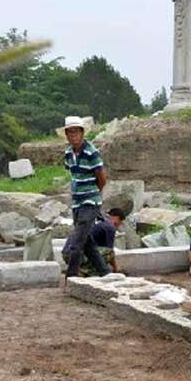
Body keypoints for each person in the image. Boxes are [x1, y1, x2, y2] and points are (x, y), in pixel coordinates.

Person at [63, 116, 113, 278]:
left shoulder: (92, 153)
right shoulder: (68, 154)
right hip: (77, 203)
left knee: (77, 242)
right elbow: (74, 175)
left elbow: (102, 179)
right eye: (70, 133)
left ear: (82, 133)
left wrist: (92, 194)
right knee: (87, 242)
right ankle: (104, 271)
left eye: (76, 132)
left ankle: (71, 275)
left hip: (90, 201)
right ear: (66, 135)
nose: (73, 136)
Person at [63, 207, 125, 276]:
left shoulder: (95, 220)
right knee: (109, 253)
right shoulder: (109, 227)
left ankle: (76, 268)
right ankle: (85, 271)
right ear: (117, 218)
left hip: (67, 254)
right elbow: (110, 252)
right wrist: (116, 268)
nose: (119, 225)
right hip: (78, 255)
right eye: (120, 222)